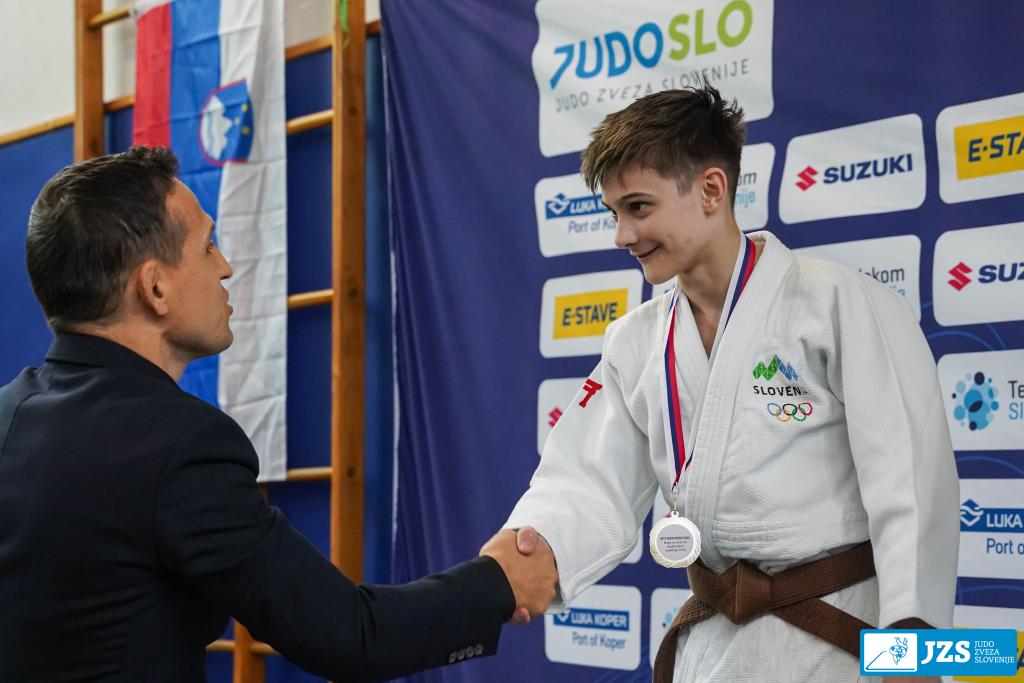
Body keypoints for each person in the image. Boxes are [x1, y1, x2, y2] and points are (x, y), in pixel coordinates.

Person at [0, 146, 555, 682]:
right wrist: (499, 583)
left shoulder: (8, 413)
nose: (225, 267)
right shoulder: (178, 445)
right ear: (155, 287)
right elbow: (353, 636)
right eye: (207, 246)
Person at [497, 85, 959, 682]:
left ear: (712, 190)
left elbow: (911, 485)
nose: (621, 235)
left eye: (639, 208)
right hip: (714, 644)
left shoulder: (837, 304)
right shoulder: (636, 341)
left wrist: (913, 651)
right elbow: (586, 481)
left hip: (839, 640)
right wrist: (525, 556)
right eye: (614, 213)